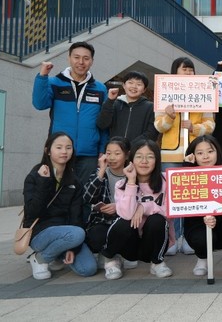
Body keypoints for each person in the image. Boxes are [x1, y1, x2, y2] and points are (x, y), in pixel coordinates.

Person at [155, 57, 214, 255]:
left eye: (191, 70)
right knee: (171, 198)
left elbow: (210, 125)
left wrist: (195, 128)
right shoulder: (164, 92)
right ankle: (173, 238)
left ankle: (188, 238)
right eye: (184, 69)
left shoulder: (204, 91)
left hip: (195, 154)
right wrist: (170, 116)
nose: (188, 73)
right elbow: (158, 126)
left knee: (192, 196)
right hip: (170, 154)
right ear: (174, 72)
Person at [32, 41, 108, 192]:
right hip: (60, 152)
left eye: (86, 58)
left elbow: (104, 122)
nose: (81, 62)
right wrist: (42, 76)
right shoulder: (54, 83)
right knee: (56, 194)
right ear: (69, 58)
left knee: (85, 196)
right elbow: (39, 104)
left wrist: (102, 148)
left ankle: (82, 217)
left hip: (89, 154)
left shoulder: (100, 88)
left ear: (92, 61)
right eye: (76, 57)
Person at [22, 132, 97, 280]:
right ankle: (40, 258)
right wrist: (43, 182)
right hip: (40, 233)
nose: (64, 151)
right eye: (59, 147)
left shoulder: (74, 181)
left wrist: (72, 248)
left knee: (88, 269)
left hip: (68, 234)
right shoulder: (35, 176)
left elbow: (76, 216)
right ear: (48, 151)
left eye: (68, 148)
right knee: (77, 234)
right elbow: (32, 212)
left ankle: (57, 253)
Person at [99, 139, 173, 280]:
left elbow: (170, 214)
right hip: (128, 244)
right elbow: (126, 214)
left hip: (151, 242)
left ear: (157, 160)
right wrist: (131, 182)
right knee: (123, 222)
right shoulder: (122, 184)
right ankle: (110, 260)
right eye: (139, 156)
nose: (144, 161)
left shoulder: (167, 181)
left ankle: (157, 262)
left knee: (158, 220)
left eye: (150, 157)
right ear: (131, 159)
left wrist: (144, 207)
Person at [182, 135, 222, 284]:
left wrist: (218, 214)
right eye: (200, 153)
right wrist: (188, 167)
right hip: (198, 227)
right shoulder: (185, 174)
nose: (205, 156)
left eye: (210, 151)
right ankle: (202, 258)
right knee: (200, 238)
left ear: (218, 152)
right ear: (193, 155)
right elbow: (184, 206)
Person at [83, 136, 138, 272]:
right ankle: (111, 257)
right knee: (96, 235)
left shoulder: (132, 174)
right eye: (108, 153)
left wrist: (117, 207)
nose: (112, 157)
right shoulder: (100, 173)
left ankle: (109, 254)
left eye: (117, 153)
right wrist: (101, 171)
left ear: (126, 155)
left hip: (124, 220)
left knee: (126, 231)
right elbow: (87, 196)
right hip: (102, 220)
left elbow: (139, 199)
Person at [96, 71, 158, 143]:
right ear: (124, 85)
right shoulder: (115, 104)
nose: (134, 87)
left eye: (139, 84)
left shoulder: (150, 107)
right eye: (130, 83)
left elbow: (152, 133)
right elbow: (102, 125)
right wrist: (109, 101)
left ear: (144, 89)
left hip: (138, 151)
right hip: (116, 151)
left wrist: (131, 146)